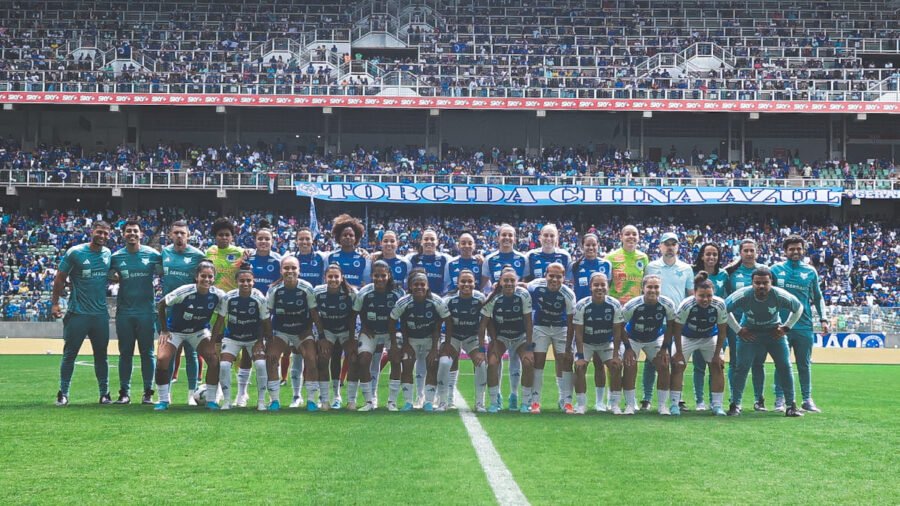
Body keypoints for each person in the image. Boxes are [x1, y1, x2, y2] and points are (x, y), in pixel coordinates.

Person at [725, 267, 804, 417]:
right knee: (741, 367)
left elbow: (798, 307)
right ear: (752, 283)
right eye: (757, 283)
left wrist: (786, 327)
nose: (761, 286)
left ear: (771, 282)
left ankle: (791, 405)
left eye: (765, 283)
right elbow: (724, 308)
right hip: (749, 334)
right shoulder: (743, 294)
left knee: (785, 366)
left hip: (774, 333)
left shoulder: (779, 295)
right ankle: (735, 404)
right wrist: (738, 330)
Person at [52, 221, 113, 406]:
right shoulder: (75, 252)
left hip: (100, 314)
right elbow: (60, 278)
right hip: (78, 313)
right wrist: (55, 303)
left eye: (105, 233)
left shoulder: (107, 254)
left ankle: (104, 394)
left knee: (101, 355)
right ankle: (63, 393)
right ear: (91, 231)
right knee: (70, 354)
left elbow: (110, 275)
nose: (102, 236)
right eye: (99, 232)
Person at [154, 261, 227, 410]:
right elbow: (161, 304)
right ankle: (163, 400)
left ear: (214, 278)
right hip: (175, 331)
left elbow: (220, 319)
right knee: (162, 360)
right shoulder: (184, 291)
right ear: (196, 277)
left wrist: (212, 342)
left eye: (210, 277)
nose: (206, 279)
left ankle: (211, 400)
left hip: (198, 332)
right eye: (203, 276)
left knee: (213, 360)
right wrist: (164, 330)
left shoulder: (219, 295)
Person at [770, 235, 829, 413]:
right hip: (781, 326)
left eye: (798, 248)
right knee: (781, 363)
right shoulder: (775, 270)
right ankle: (779, 399)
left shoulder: (810, 271)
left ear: (803, 250)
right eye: (791, 249)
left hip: (804, 325)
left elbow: (818, 297)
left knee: (804, 364)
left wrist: (823, 319)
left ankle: (807, 399)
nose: (795, 252)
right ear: (785, 251)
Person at [109, 219, 162, 405]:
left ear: (141, 234)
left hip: (146, 312)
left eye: (135, 231)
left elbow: (165, 271)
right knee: (125, 353)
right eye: (128, 231)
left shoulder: (153, 254)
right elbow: (108, 274)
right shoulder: (116, 257)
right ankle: (124, 392)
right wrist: (113, 277)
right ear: (123, 234)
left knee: (147, 353)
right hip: (124, 313)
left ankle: (148, 392)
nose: (132, 233)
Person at [643, 232, 693, 411]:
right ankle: (647, 398)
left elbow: (690, 295)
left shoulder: (686, 268)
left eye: (673, 244)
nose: (670, 247)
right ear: (660, 246)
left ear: (678, 247)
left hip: (677, 321)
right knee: (652, 360)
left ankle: (676, 398)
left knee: (677, 359)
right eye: (667, 244)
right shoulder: (651, 267)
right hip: (656, 319)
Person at [387, 271, 450, 411]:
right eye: (416, 284)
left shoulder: (437, 301)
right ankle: (408, 402)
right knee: (407, 365)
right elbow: (392, 321)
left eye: (422, 284)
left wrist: (436, 347)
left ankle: (428, 402)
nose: (419, 287)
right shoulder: (403, 302)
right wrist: (403, 344)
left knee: (432, 366)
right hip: (411, 339)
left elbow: (447, 321)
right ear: (410, 286)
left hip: (430, 339)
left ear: (427, 286)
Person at [481, 224, 528, 410]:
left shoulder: (523, 259)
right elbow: (483, 286)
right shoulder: (490, 260)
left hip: (518, 326)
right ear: (497, 237)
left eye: (510, 235)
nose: (507, 238)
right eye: (503, 235)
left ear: (515, 238)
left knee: (520, 360)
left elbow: (527, 285)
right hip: (499, 324)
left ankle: (515, 396)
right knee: (495, 359)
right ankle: (496, 396)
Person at [669, 272, 729, 416]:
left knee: (718, 366)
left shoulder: (720, 304)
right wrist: (678, 352)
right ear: (694, 293)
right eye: (701, 296)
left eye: (709, 295)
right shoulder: (686, 305)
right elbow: (677, 329)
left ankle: (717, 406)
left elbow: (722, 331)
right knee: (678, 365)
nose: (705, 299)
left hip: (709, 337)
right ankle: (674, 404)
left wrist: (717, 355)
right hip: (687, 337)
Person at [266, 256, 321, 411]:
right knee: (271, 357)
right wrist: (268, 337)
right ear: (281, 270)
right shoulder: (274, 289)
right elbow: (267, 315)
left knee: (311, 358)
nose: (290, 271)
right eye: (286, 268)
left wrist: (317, 334)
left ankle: (311, 400)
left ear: (299, 270)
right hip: (281, 331)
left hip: (302, 331)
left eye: (293, 268)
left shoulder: (306, 288)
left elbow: (314, 313)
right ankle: (274, 400)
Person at [325, 214, 370, 409]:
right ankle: (336, 395)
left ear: (357, 237)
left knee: (352, 354)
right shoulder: (330, 257)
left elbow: (366, 283)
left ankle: (352, 397)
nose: (348, 238)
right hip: (334, 311)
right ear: (338, 237)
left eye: (351, 235)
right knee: (334, 354)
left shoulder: (364, 258)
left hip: (354, 311)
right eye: (344, 235)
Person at [161, 220, 207, 405]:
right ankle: (166, 394)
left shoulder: (198, 256)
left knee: (191, 354)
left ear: (188, 236)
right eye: (176, 233)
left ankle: (191, 394)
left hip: (192, 312)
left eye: (183, 233)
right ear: (170, 235)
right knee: (169, 355)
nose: (179, 236)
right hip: (170, 312)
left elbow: (208, 277)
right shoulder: (164, 253)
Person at [211, 268, 270, 411]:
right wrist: (212, 342)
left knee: (261, 364)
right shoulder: (228, 297)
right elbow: (220, 320)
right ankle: (227, 401)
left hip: (253, 339)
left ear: (253, 282)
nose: (245, 283)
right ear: (236, 282)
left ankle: (261, 401)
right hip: (232, 338)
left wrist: (260, 341)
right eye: (242, 281)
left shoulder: (260, 298)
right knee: (224, 365)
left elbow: (265, 322)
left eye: (249, 281)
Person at [205, 217, 249, 406]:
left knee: (238, 350)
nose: (224, 238)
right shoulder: (210, 252)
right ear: (215, 236)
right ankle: (219, 391)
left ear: (232, 237)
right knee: (216, 350)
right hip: (215, 307)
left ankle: (242, 392)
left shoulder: (240, 252)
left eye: (227, 235)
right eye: (220, 235)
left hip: (234, 307)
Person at [619, 275, 677, 415]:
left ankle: (662, 406)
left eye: (656, 287)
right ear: (643, 288)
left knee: (664, 364)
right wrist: (627, 348)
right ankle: (630, 404)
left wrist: (664, 348)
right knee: (630, 365)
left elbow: (671, 326)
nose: (653, 290)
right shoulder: (632, 305)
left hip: (654, 338)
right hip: (632, 338)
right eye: (649, 287)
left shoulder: (667, 304)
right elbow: (620, 326)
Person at [406, 229, 452, 406]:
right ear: (421, 241)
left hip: (436, 307)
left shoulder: (445, 259)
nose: (429, 242)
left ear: (438, 242)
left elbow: (448, 282)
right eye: (426, 239)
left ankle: (439, 395)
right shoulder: (411, 259)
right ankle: (420, 395)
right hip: (417, 308)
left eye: (432, 239)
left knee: (435, 357)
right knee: (420, 357)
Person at [481, 267, 536, 414]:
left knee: (528, 362)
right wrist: (492, 341)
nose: (509, 283)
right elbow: (485, 322)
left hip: (520, 336)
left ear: (517, 282)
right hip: (501, 337)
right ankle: (494, 401)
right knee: (492, 362)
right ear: (500, 281)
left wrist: (529, 347)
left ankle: (525, 402)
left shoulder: (523, 294)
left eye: (512, 280)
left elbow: (528, 322)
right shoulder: (493, 297)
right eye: (506, 280)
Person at [353, 260, 405, 411]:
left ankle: (392, 402)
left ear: (389, 275)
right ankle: (369, 401)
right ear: (371, 276)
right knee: (364, 360)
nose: (380, 279)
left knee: (396, 359)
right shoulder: (364, 292)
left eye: (383, 275)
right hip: (371, 332)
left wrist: (398, 339)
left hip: (392, 333)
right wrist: (363, 327)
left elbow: (405, 315)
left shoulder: (398, 292)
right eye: (376, 275)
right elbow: (355, 313)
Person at [570, 232, 613, 410]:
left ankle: (600, 402)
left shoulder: (606, 264)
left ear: (598, 246)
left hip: (600, 313)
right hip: (582, 314)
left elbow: (607, 287)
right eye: (587, 245)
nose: (590, 248)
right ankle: (580, 402)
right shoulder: (575, 265)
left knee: (599, 363)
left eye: (593, 245)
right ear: (582, 246)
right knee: (580, 363)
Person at [527, 262, 576, 413]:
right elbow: (521, 288)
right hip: (540, 326)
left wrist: (569, 347)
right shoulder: (534, 286)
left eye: (558, 277)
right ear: (545, 275)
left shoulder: (568, 294)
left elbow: (571, 322)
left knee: (565, 361)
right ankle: (535, 402)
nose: (554, 279)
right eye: (551, 276)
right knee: (538, 362)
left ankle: (566, 401)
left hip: (561, 328)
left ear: (564, 278)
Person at [724, 239, 768, 411]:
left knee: (759, 363)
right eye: (746, 251)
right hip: (737, 325)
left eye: (752, 250)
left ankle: (759, 400)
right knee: (736, 363)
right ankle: (735, 400)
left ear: (757, 252)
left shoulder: (764, 271)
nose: (749, 254)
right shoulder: (731, 272)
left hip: (760, 324)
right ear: (740, 252)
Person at [572, 272, 624, 414]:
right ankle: (581, 404)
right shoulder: (582, 305)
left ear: (608, 287)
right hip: (586, 343)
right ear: (590, 287)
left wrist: (615, 355)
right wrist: (580, 356)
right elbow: (578, 333)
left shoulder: (614, 304)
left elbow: (617, 331)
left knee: (616, 366)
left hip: (606, 342)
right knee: (579, 367)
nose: (599, 288)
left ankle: (613, 404)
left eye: (603, 285)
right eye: (596, 285)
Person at [440, 269, 488, 411]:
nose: (466, 284)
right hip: (453, 336)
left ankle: (480, 403)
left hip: (472, 337)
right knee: (444, 362)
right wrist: (445, 344)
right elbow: (441, 322)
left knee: (481, 364)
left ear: (474, 283)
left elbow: (484, 324)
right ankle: (444, 401)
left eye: (469, 281)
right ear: (457, 283)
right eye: (463, 281)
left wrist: (481, 349)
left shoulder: (481, 298)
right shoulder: (448, 299)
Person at [689, 242, 728, 410]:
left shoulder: (724, 274)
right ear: (702, 256)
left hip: (716, 326)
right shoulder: (692, 273)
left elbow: (727, 297)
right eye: (708, 254)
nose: (711, 257)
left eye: (715, 254)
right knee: (698, 367)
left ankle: (715, 402)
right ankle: (700, 401)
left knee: (716, 365)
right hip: (696, 326)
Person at [290, 227, 326, 405]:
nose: (304, 242)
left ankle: (318, 395)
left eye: (307, 239)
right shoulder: (290, 258)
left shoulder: (322, 258)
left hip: (316, 312)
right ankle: (297, 396)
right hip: (296, 312)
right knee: (297, 354)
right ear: (296, 241)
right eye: (301, 239)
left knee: (316, 355)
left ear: (313, 240)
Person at [313, 264, 357, 410]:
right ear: (325, 278)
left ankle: (350, 400)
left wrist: (352, 339)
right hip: (327, 330)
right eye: (330, 276)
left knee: (352, 358)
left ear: (342, 278)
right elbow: (315, 315)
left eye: (336, 276)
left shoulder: (351, 293)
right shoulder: (317, 292)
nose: (333, 279)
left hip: (346, 330)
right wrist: (321, 337)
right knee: (323, 358)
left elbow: (354, 317)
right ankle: (324, 399)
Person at [607, 225, 649, 304]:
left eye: (634, 234)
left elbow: (645, 283)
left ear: (638, 238)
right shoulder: (610, 257)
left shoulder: (643, 258)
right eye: (627, 234)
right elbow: (606, 284)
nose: (631, 236)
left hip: (636, 304)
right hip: (616, 304)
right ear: (621, 237)